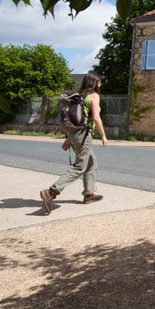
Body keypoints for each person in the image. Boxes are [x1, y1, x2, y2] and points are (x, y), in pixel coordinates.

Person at [40, 71, 108, 214]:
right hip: (83, 135)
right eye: (99, 81)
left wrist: (68, 138)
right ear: (96, 83)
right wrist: (103, 136)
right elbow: (95, 117)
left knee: (91, 162)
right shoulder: (93, 96)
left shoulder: (80, 95)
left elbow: (73, 119)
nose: (100, 83)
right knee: (80, 166)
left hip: (74, 134)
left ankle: (89, 194)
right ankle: (52, 191)